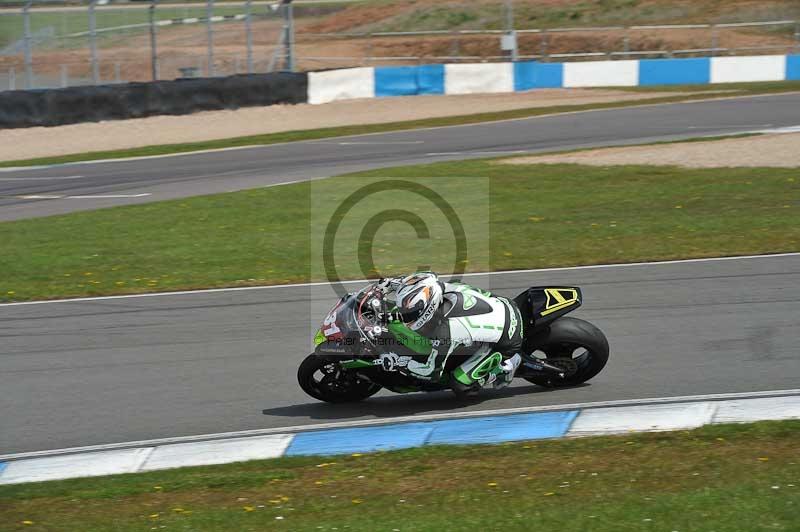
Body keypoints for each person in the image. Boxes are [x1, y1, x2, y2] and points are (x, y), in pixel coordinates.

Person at [376, 272, 523, 395]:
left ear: (427, 309)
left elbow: (431, 371)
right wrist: (390, 284)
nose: (406, 317)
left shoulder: (447, 331)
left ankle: (506, 367)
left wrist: (398, 362)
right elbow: (413, 283)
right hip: (501, 303)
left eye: (410, 314)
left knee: (460, 384)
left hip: (508, 338)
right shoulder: (433, 284)